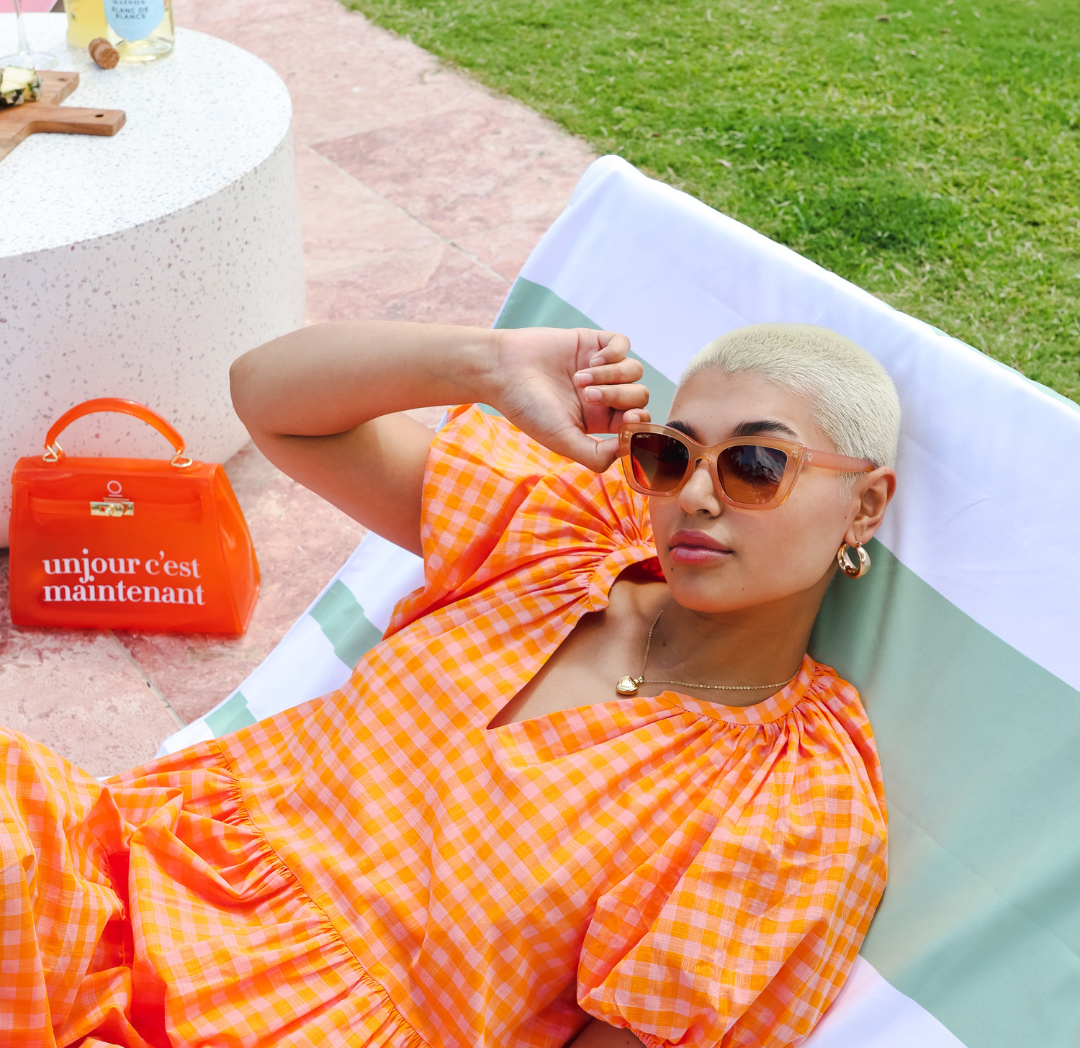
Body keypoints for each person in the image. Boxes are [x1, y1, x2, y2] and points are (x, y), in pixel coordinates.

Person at [2, 320, 897, 1048]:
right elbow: (269, 400)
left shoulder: (790, 807)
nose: (696, 498)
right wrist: (487, 364)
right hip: (105, 883)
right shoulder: (558, 538)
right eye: (671, 456)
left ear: (865, 503)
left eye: (756, 467)